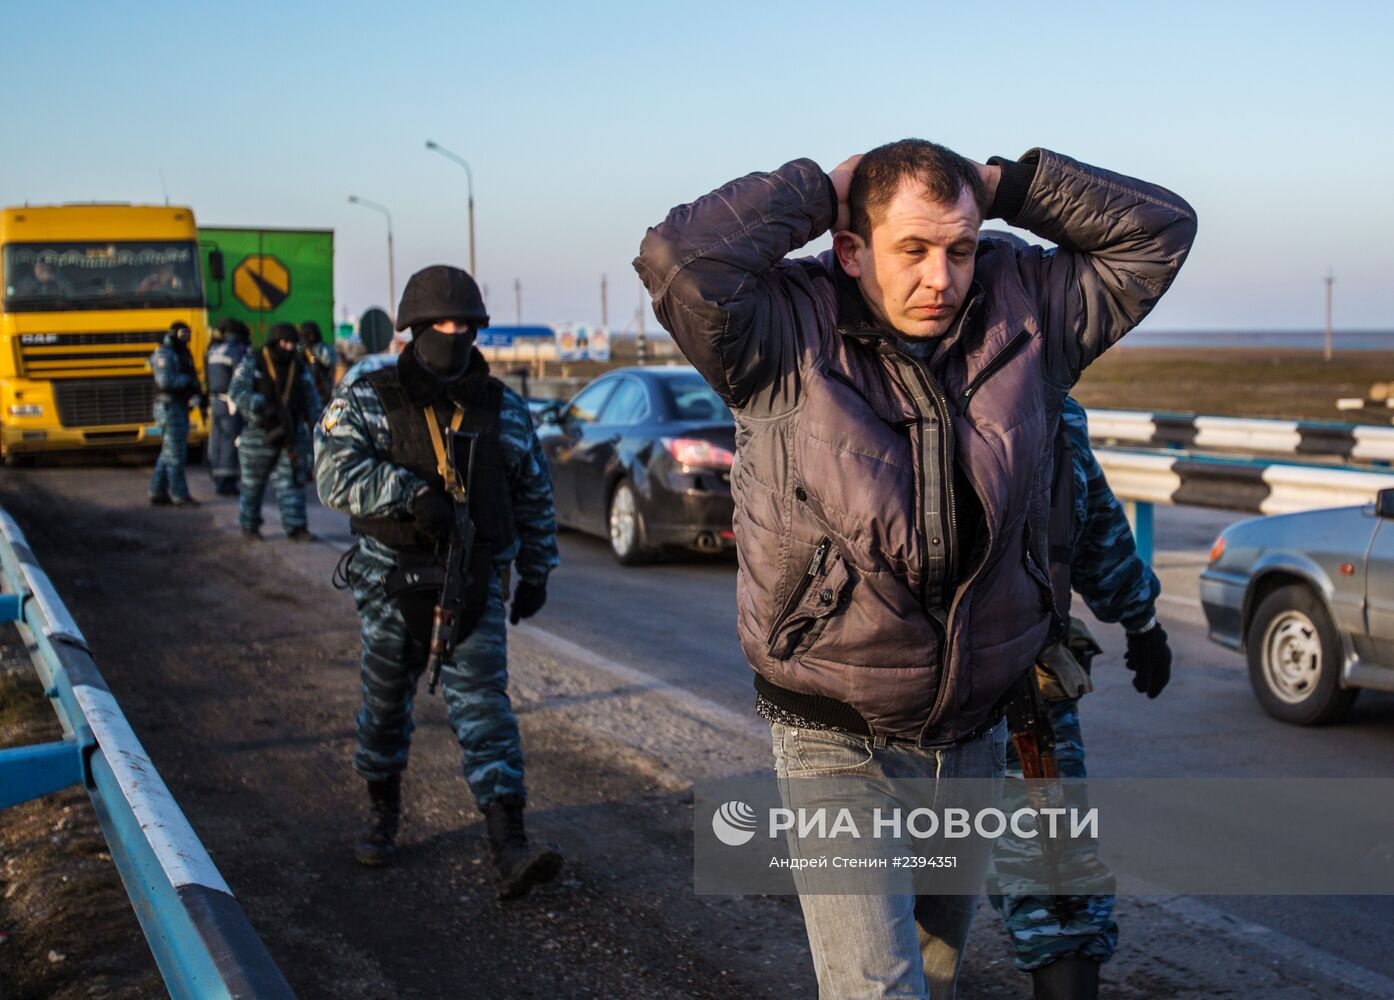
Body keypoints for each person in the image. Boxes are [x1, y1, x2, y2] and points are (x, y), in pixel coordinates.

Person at [635, 141, 1195, 997]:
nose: (942, 278)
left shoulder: (1030, 318)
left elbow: (1159, 232)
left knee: (936, 971)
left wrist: (1003, 186)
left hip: (975, 733)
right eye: (913, 249)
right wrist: (819, 190)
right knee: (882, 987)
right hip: (835, 733)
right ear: (852, 249)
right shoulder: (781, 332)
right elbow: (681, 260)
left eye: (961, 249)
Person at [314, 264, 562, 899]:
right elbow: (332, 475)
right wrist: (405, 494)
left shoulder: (502, 406)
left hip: (473, 579)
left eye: (466, 326)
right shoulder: (369, 396)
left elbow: (532, 492)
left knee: (484, 707)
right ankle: (381, 811)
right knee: (385, 704)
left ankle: (510, 842)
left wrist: (536, 569)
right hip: (389, 580)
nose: (455, 335)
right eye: (443, 324)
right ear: (415, 329)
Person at [988, 395, 1172, 1000]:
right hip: (1002, 687)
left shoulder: (1050, 408)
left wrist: (1140, 619)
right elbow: (1095, 528)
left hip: (1007, 690)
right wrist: (1139, 620)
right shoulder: (1043, 402)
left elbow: (1089, 525)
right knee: (1052, 871)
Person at [229, 322, 319, 540]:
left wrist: (319, 430)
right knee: (252, 486)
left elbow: (312, 402)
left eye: (292, 343)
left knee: (292, 485)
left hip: (290, 435)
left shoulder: (299, 367)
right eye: (284, 343)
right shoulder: (254, 362)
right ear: (274, 342)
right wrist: (261, 404)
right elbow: (236, 392)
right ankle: (249, 526)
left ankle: (296, 528)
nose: (288, 347)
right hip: (258, 435)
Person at [147, 320, 202, 507]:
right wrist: (188, 381)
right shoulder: (164, 353)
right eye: (183, 334)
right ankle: (180, 495)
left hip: (179, 406)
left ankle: (157, 490)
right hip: (168, 408)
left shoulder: (182, 353)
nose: (186, 338)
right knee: (176, 455)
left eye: (189, 334)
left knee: (169, 452)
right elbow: (165, 381)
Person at [206, 317, 251, 496]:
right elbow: (240, 378)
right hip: (229, 402)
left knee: (217, 440)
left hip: (215, 400)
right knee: (229, 441)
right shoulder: (236, 351)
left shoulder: (214, 349)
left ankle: (217, 475)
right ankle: (226, 481)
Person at [298, 320, 336, 419]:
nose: (311, 337)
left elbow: (329, 361)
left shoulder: (321, 348)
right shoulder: (301, 350)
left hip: (322, 393)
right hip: (310, 397)